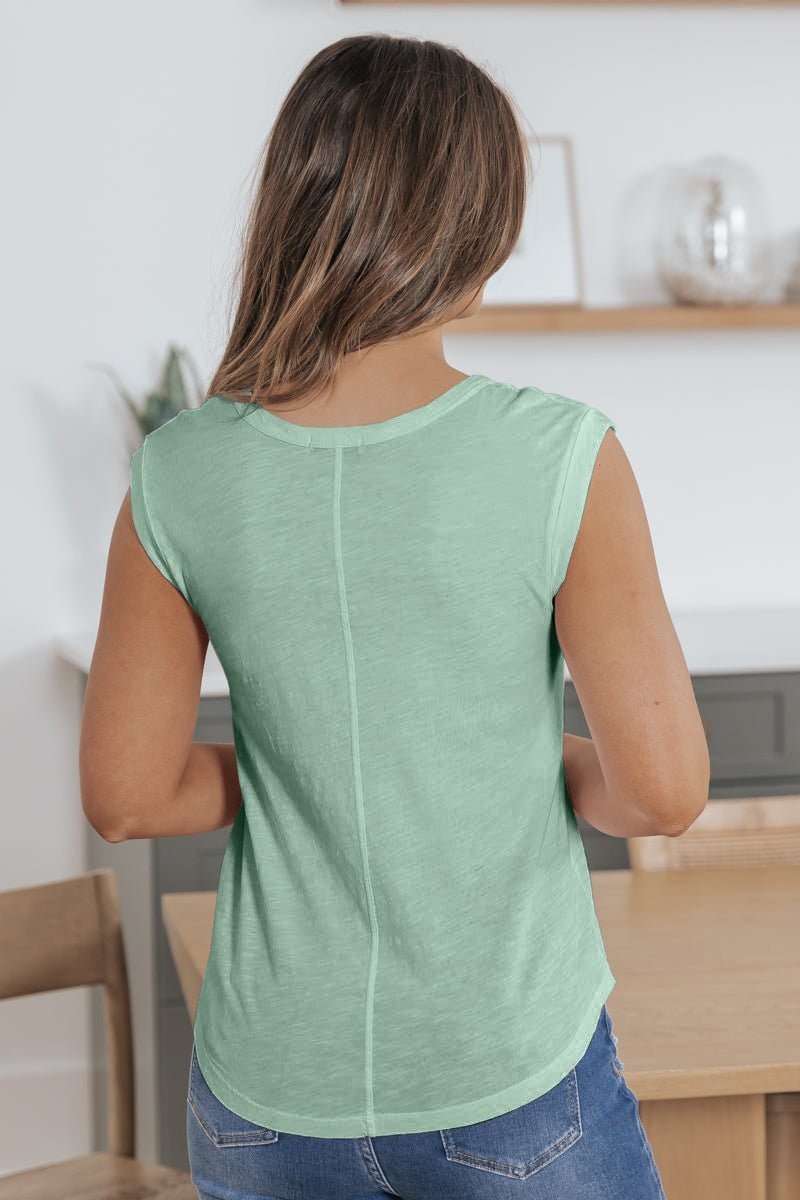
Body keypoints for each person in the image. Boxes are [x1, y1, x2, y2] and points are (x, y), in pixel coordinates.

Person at [80, 32, 710, 1200]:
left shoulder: (179, 472)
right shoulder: (558, 454)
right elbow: (662, 793)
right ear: (470, 223)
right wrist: (517, 762)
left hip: (268, 1101)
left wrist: (306, 763)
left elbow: (126, 798)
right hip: (505, 1071)